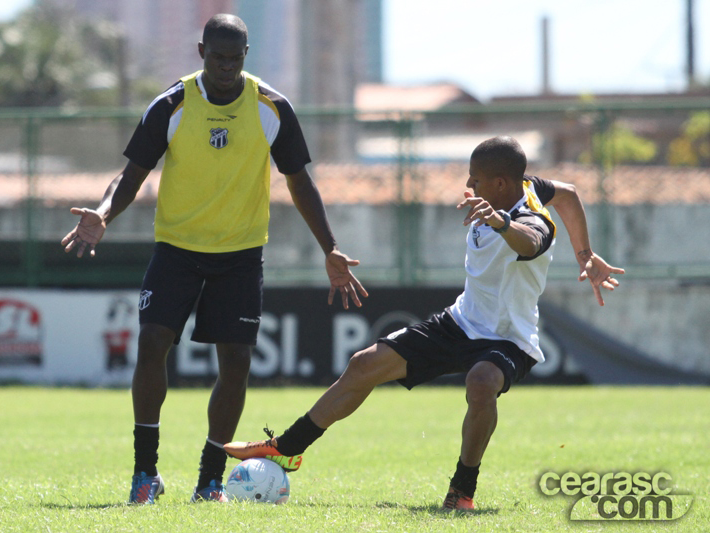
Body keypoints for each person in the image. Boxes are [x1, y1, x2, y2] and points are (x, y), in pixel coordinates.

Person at [61, 14, 367, 504]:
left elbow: (300, 180)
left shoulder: (272, 107)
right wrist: (103, 213)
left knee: (237, 363)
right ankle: (145, 473)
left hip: (241, 255)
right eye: (218, 57)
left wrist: (328, 247)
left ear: (246, 55)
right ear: (201, 52)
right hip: (177, 249)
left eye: (236, 58)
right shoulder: (171, 104)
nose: (226, 66)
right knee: (153, 341)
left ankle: (209, 481)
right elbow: (132, 174)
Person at [224, 136, 625, 511]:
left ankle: (462, 491)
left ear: (502, 184)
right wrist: (586, 254)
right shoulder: (529, 185)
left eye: (477, 178)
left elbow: (531, 240)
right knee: (365, 363)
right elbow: (570, 194)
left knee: (482, 381)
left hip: (509, 337)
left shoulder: (535, 219)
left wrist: (502, 224)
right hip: (461, 321)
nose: (468, 183)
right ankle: (288, 447)